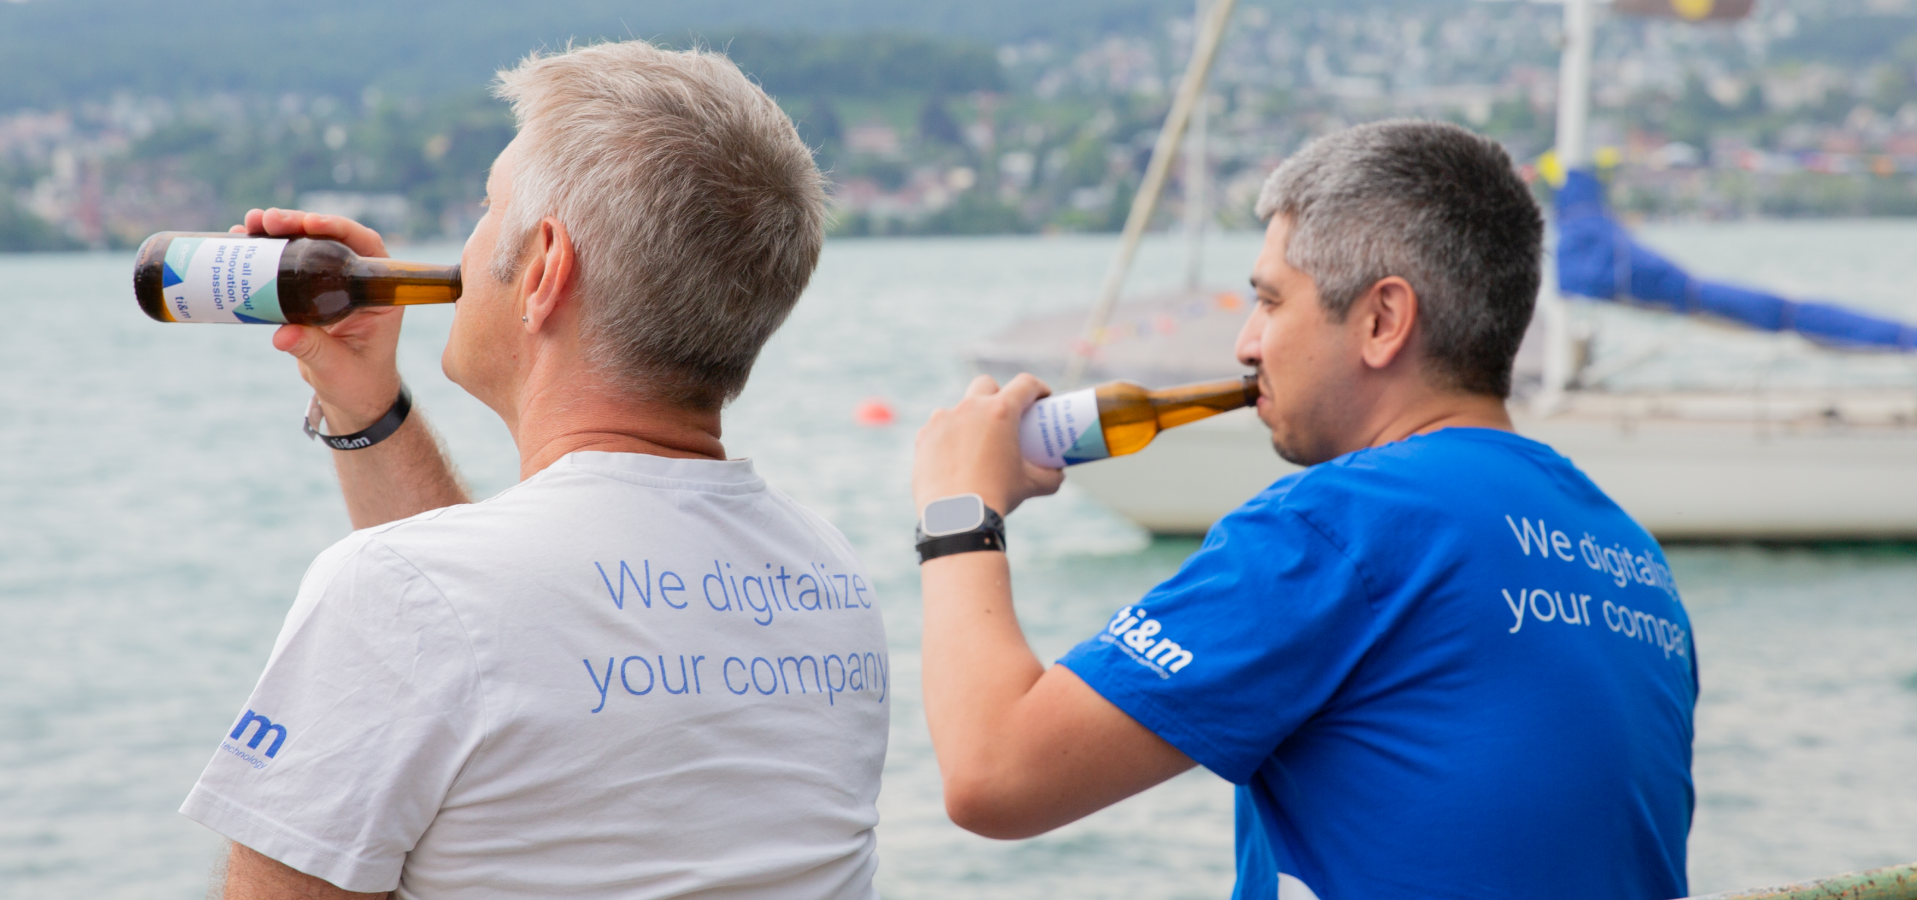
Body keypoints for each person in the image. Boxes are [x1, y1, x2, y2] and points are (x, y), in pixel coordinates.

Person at [909, 120, 1696, 900]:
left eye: (1270, 301)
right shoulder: (1629, 554)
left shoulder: (1343, 524)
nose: (1246, 343)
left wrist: (959, 509)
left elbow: (995, 774)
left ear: (1382, 321)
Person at [180, 42, 890, 899]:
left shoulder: (401, 592)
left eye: (489, 206)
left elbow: (454, 620)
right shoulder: (830, 577)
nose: (465, 248)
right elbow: (489, 629)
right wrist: (364, 404)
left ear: (546, 267)